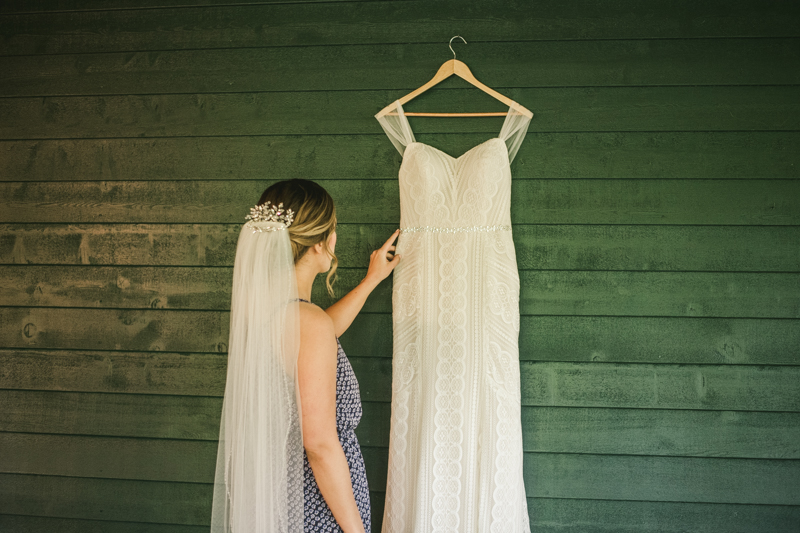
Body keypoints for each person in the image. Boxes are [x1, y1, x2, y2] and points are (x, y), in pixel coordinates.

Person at [210, 178, 400, 533]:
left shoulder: (272, 313)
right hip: (320, 501)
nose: (335, 240)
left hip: (285, 493)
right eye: (334, 230)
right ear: (318, 243)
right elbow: (320, 445)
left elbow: (324, 330)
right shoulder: (306, 323)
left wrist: (371, 280)